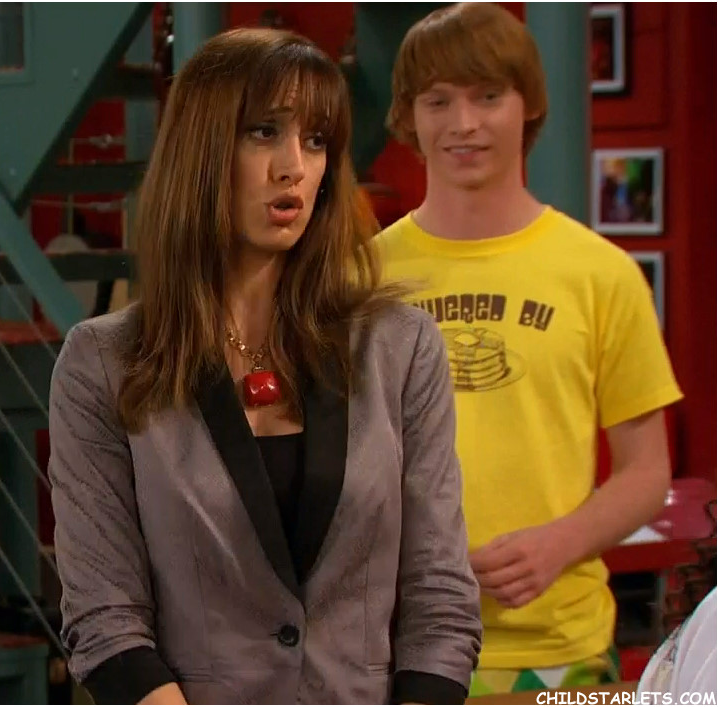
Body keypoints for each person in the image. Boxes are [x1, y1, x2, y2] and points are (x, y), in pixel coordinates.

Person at [47, 27, 482, 705]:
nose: (293, 167)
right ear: (201, 150)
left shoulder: (399, 347)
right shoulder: (103, 362)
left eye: (315, 141)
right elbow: (104, 618)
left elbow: (440, 599)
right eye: (263, 133)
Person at [376, 3, 683, 697]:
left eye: (487, 96)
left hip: (557, 645)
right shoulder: (359, 278)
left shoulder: (600, 274)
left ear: (529, 106)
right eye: (438, 101)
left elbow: (645, 471)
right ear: (409, 116)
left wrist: (560, 542)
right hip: (392, 642)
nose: (463, 123)